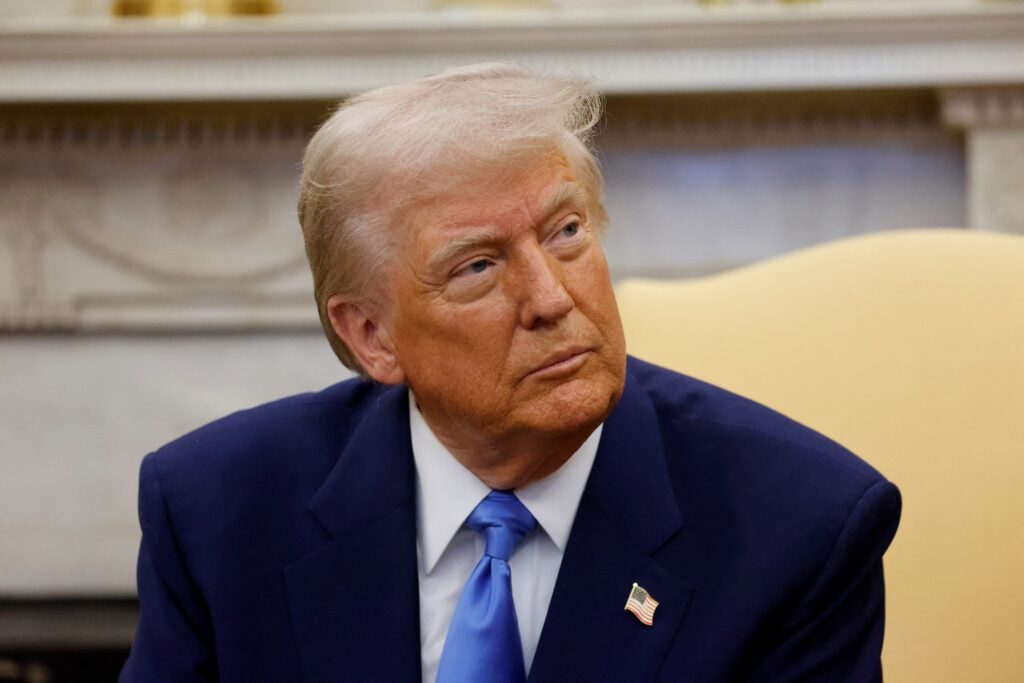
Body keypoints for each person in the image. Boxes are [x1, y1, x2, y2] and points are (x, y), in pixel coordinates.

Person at [120, 63, 901, 682]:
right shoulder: (218, 513)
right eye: (478, 266)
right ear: (371, 336)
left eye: (566, 232)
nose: (553, 298)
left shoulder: (801, 528)